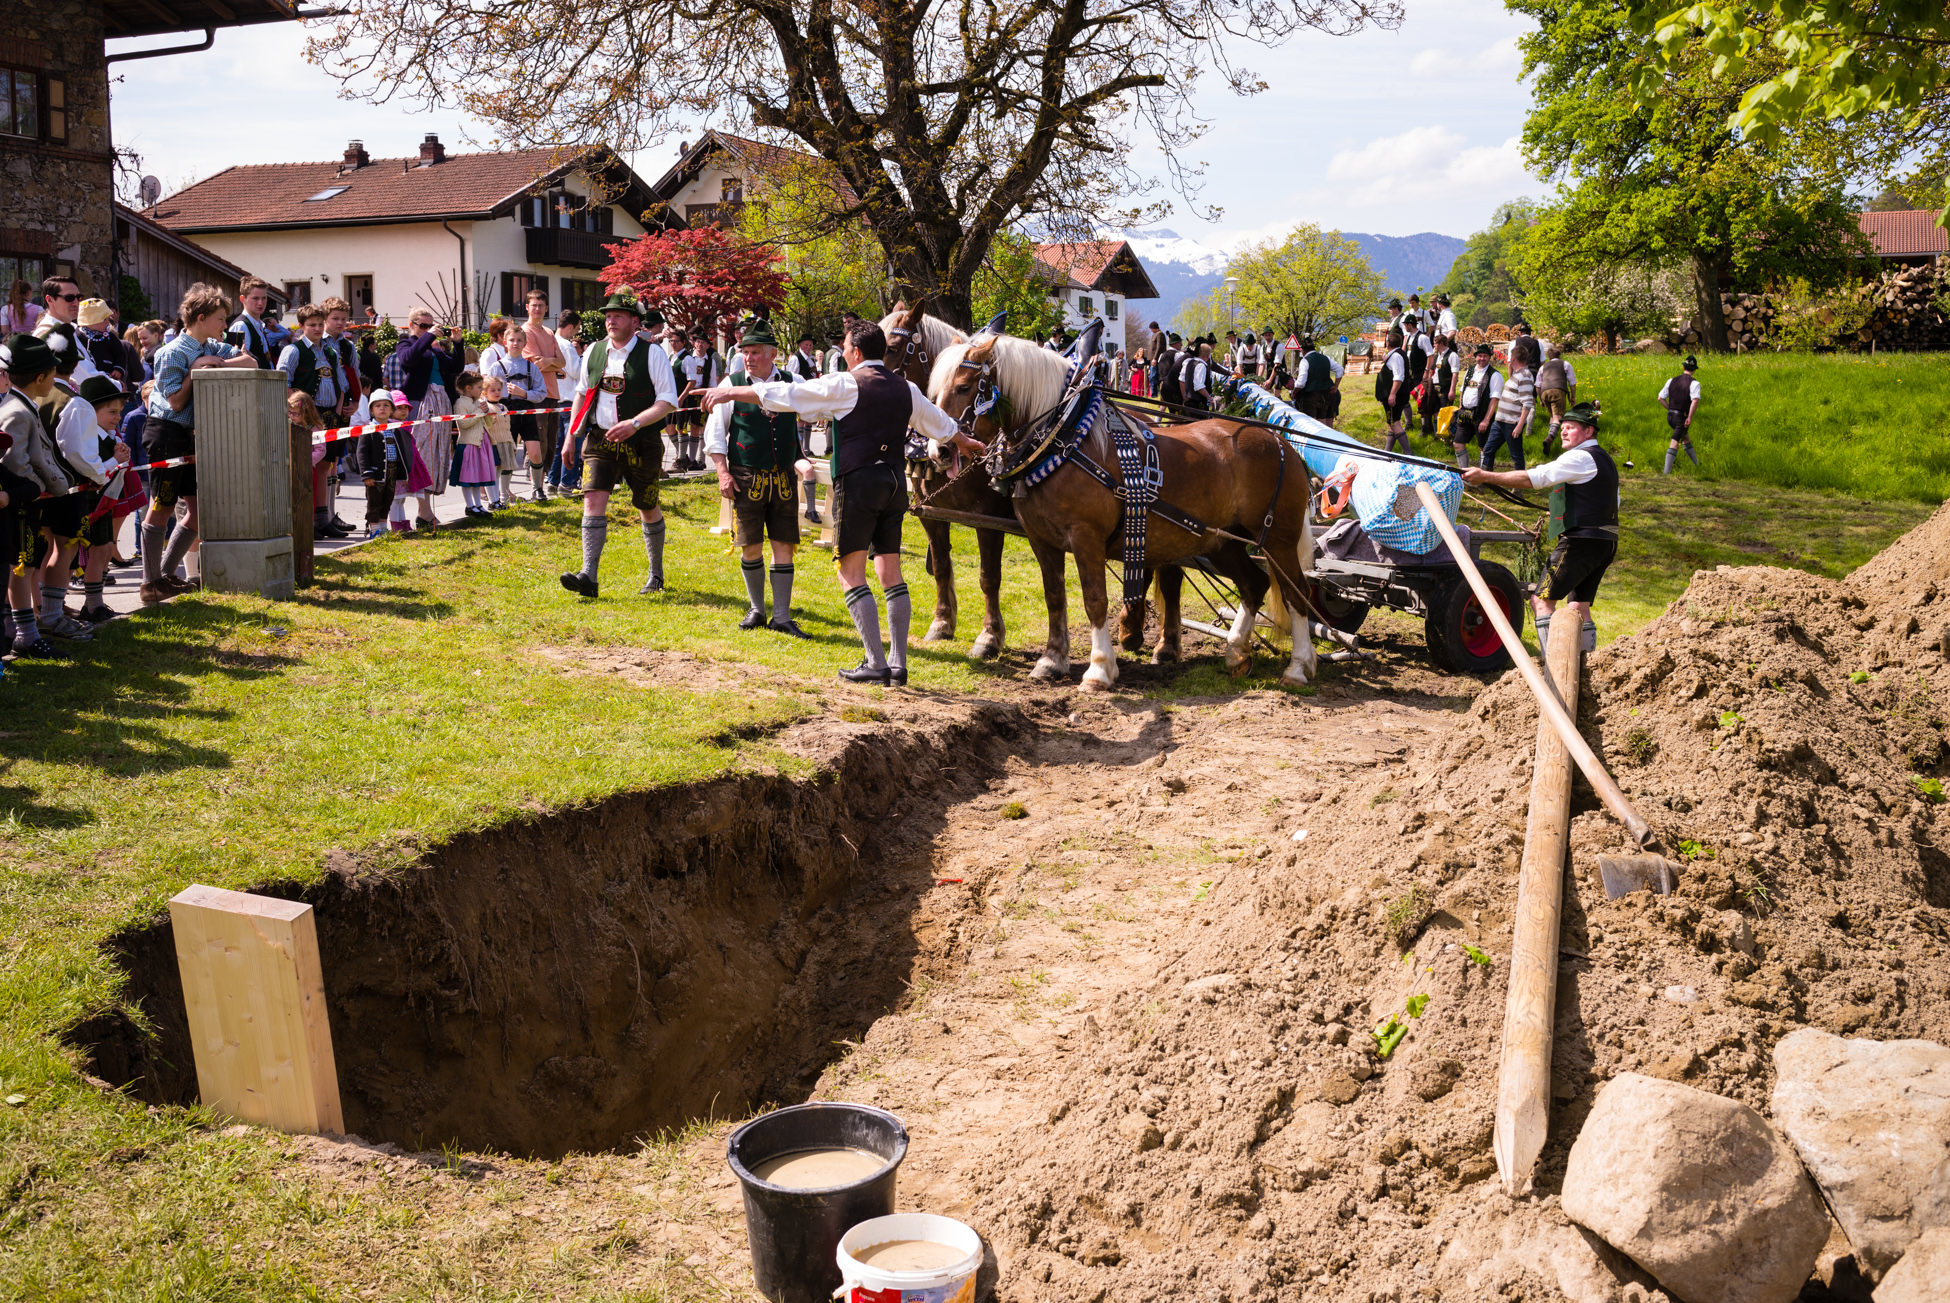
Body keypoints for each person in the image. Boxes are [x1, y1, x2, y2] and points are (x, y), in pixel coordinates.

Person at [702, 318, 983, 684]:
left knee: (850, 573)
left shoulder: (846, 383)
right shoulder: (906, 387)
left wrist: (729, 393)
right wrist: (964, 441)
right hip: (894, 482)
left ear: (857, 352)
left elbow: (790, 396)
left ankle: (876, 663)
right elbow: (939, 422)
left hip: (859, 483)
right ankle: (898, 663)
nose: (844, 353)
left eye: (846, 347)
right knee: (890, 572)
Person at [1464, 400, 1615, 654]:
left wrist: (1486, 476)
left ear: (1589, 431)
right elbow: (1608, 500)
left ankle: (1551, 667)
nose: (1563, 432)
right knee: (1579, 607)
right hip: (1605, 542)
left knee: (1541, 601)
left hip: (1581, 542)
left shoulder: (1580, 456)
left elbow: (1534, 478)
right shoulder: (1604, 459)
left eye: (1571, 427)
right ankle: (1587, 665)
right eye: (1562, 427)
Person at [140, 283, 258, 603]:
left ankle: (164, 574)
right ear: (201, 318)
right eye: (220, 319)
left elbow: (250, 362)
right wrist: (195, 372)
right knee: (161, 507)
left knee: (197, 512)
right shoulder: (172, 352)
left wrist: (216, 364)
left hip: (190, 435)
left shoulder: (212, 347)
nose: (225, 325)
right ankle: (149, 582)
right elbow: (176, 402)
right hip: (165, 433)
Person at [559, 292, 679, 598]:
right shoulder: (594, 351)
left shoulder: (653, 354)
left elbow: (667, 401)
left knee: (647, 505)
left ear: (635, 321)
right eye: (608, 316)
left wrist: (635, 423)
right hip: (600, 438)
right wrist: (571, 435)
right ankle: (588, 575)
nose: (611, 321)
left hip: (642, 440)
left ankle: (655, 573)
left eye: (618, 316)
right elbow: (582, 393)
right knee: (592, 499)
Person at [699, 318, 812, 635]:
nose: (748, 357)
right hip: (745, 476)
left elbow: (813, 409)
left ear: (773, 354)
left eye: (755, 351)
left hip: (783, 478)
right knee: (750, 545)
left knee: (783, 544)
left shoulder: (793, 381)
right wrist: (722, 473)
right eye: (745, 352)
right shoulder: (730, 384)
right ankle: (757, 609)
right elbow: (715, 433)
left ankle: (782, 616)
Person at [1, 333, 71, 656]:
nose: (55, 380)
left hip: (26, 503)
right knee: (22, 567)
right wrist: (40, 487)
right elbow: (16, 463)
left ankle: (23, 632)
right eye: (53, 374)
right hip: (20, 506)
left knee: (26, 565)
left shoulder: (24, 406)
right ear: (40, 378)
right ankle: (25, 636)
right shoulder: (17, 412)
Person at [482, 317, 550, 501]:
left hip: (527, 411)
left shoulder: (531, 367)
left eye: (519, 340)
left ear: (525, 343)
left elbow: (541, 393)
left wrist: (524, 393)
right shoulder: (496, 367)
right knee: (508, 454)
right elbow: (487, 391)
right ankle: (504, 494)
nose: (515, 343)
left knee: (535, 452)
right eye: (512, 340)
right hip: (505, 413)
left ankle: (537, 489)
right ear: (505, 342)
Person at [395, 310, 459, 499]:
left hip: (441, 400)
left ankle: (428, 501)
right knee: (422, 450)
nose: (428, 329)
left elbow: (456, 367)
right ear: (411, 325)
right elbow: (408, 359)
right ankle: (422, 505)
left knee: (439, 450)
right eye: (424, 326)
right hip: (420, 401)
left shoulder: (434, 349)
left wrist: (458, 343)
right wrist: (429, 336)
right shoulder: (405, 343)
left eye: (431, 326)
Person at [520, 290, 569, 489]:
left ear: (546, 308)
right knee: (538, 440)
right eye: (534, 305)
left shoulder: (548, 332)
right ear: (527, 307)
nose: (538, 309)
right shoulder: (525, 331)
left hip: (553, 393)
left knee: (550, 442)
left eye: (541, 305)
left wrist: (550, 363)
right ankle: (536, 486)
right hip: (536, 394)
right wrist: (554, 364)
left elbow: (562, 362)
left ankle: (541, 484)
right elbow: (534, 363)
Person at [355, 389, 407, 539]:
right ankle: (374, 529)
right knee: (374, 502)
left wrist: (402, 472)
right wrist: (366, 474)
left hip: (391, 473)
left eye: (386, 405)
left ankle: (383, 528)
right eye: (378, 406)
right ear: (371, 410)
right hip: (375, 474)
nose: (382, 409)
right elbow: (362, 453)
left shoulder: (394, 430)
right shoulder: (368, 430)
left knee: (387, 500)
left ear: (391, 409)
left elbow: (401, 451)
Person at [1479, 337, 1536, 471]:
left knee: (1516, 455)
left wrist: (1520, 425)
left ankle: (1519, 482)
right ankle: (1485, 478)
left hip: (1512, 422)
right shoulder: (1516, 375)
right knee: (1488, 449)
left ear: (1513, 359)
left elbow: (1527, 403)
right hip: (1500, 421)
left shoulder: (1525, 376)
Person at [448, 371, 498, 517]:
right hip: (468, 444)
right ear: (468, 388)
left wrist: (487, 413)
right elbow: (464, 424)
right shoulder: (460, 403)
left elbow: (488, 423)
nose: (481, 390)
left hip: (481, 444)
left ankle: (478, 505)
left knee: (477, 478)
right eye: (479, 387)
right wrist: (479, 411)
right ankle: (470, 505)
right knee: (468, 478)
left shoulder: (478, 402)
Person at [1451, 343, 1501, 469]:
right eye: (1479, 356)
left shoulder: (1495, 375)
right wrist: (1460, 407)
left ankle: (1483, 476)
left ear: (1489, 357)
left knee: (1484, 447)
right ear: (1475, 357)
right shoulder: (1469, 371)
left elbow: (1494, 399)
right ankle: (1464, 473)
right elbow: (1462, 391)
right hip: (1465, 414)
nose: (1482, 358)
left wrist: (1486, 420)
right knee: (1457, 443)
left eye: (1485, 356)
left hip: (1482, 415)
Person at [225, 276, 284, 368]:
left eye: (264, 298)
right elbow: (235, 363)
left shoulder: (260, 325)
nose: (260, 303)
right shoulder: (240, 325)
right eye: (255, 298)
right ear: (242, 299)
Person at [480, 374, 517, 508]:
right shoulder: (486, 408)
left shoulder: (503, 407)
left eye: (499, 390)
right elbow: (485, 426)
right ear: (485, 393)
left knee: (502, 471)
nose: (497, 392)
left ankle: (500, 499)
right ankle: (493, 500)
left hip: (505, 442)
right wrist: (490, 420)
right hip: (494, 443)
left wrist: (512, 442)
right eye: (493, 390)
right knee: (493, 473)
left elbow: (507, 428)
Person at [1660, 355, 1701, 473]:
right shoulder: (1694, 383)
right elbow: (1695, 400)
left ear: (1683, 367)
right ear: (1694, 370)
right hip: (1680, 418)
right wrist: (1689, 417)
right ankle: (1665, 474)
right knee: (1674, 443)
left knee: (1685, 438)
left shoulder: (1671, 380)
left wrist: (1670, 409)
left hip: (1670, 417)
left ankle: (1698, 465)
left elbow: (1660, 398)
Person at [1535, 343, 1577, 446]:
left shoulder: (1543, 367)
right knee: (1558, 417)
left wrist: (1541, 399)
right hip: (1557, 391)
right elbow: (1572, 383)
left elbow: (1538, 386)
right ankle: (1549, 438)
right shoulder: (1565, 364)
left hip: (1544, 392)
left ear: (1549, 357)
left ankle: (1550, 442)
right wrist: (1573, 397)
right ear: (1559, 355)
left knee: (1552, 417)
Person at [1420, 332, 1459, 440]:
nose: (1434, 346)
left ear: (1441, 343)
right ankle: (1437, 436)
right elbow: (1433, 370)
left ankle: (1447, 437)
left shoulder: (1452, 355)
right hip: (1434, 387)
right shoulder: (1438, 355)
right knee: (1435, 411)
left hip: (1445, 388)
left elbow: (1455, 374)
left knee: (1445, 412)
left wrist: (1452, 390)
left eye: (1435, 343)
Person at [1376, 328, 1409, 452]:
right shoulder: (1397, 354)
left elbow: (1398, 377)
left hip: (1396, 395)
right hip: (1396, 394)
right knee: (1391, 424)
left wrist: (1392, 394)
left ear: (1388, 343)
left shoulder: (1395, 356)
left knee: (1395, 423)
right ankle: (1387, 452)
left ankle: (1409, 454)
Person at [1290, 338, 1337, 422]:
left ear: (1302, 350)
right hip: (1325, 395)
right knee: (1322, 422)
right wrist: (1336, 386)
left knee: (1311, 423)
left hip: (1310, 397)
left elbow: (1301, 383)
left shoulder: (1304, 361)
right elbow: (1340, 369)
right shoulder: (1326, 358)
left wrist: (1294, 392)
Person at [1178, 339, 1215, 411]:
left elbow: (1182, 380)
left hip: (1188, 401)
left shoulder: (1188, 362)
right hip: (1197, 404)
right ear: (1208, 356)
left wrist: (1185, 398)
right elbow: (1199, 387)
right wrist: (1209, 398)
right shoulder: (1201, 366)